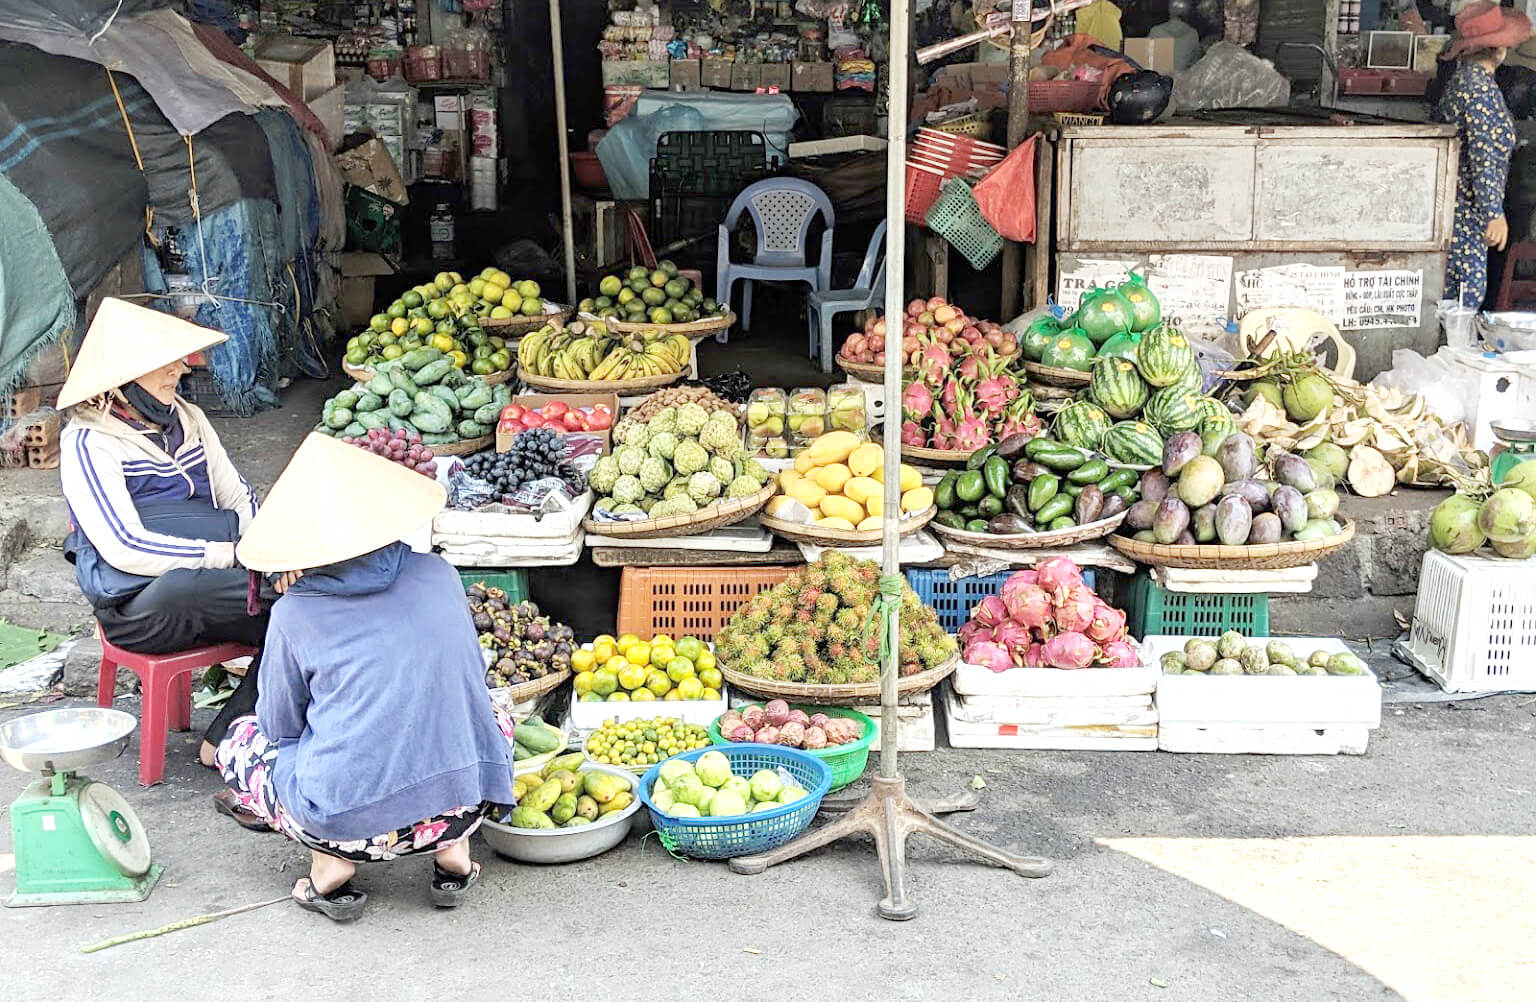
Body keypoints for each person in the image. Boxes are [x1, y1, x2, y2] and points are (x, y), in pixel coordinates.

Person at [215, 434, 517, 921]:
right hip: (463, 802)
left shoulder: (295, 613)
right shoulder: (439, 573)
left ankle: (328, 867)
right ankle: (454, 853)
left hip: (347, 825)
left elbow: (280, 724)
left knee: (242, 740)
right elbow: (467, 679)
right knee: (492, 711)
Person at [57, 298, 283, 785]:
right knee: (200, 588)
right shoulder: (89, 442)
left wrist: (265, 551)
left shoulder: (189, 419)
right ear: (126, 374)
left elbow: (238, 496)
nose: (182, 368)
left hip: (213, 589)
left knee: (302, 610)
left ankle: (224, 736)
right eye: (168, 360)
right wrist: (226, 556)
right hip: (139, 608)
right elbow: (123, 546)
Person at [1434, 1, 1534, 308]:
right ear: (1499, 49)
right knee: (1465, 298)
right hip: (1467, 213)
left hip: (1453, 208)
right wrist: (1493, 213)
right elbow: (1483, 155)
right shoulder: (1480, 91)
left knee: (1454, 297)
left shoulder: (1463, 81)